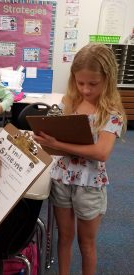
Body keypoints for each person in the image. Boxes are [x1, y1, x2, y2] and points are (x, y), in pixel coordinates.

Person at [34, 43, 127, 275]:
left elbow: (101, 152)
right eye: (80, 82)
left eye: (93, 84)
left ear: (108, 79)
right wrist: (47, 140)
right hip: (62, 178)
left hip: (90, 183)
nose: (85, 89)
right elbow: (62, 137)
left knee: (86, 244)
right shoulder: (70, 101)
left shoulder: (111, 111)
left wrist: (57, 144)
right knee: (64, 237)